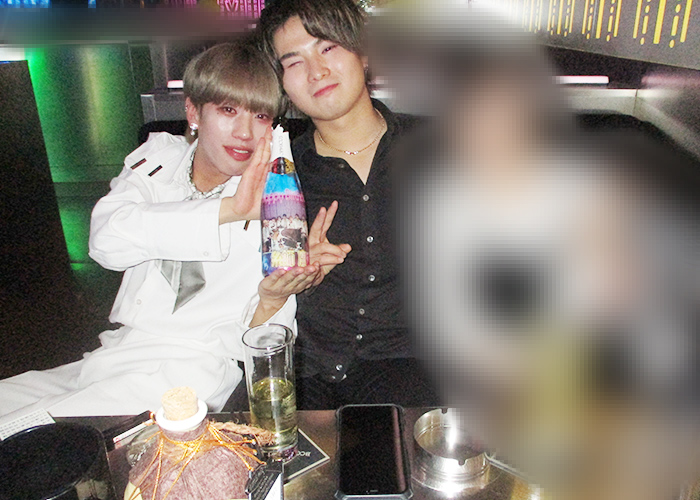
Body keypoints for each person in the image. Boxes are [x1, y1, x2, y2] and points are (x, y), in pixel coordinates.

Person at [0, 41, 324, 423]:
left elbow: (260, 345)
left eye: (260, 116)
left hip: (190, 371)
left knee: (31, 428)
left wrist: (273, 298)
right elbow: (105, 244)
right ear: (193, 111)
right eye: (228, 110)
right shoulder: (159, 159)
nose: (244, 132)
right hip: (115, 351)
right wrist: (227, 211)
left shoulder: (279, 196)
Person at [257, 0, 440, 409]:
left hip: (407, 370)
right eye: (294, 62)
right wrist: (294, 280)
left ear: (363, 52)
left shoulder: (439, 152)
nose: (316, 71)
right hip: (303, 372)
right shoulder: (274, 177)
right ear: (282, 83)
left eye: (327, 48)